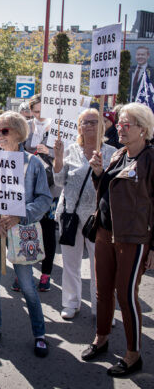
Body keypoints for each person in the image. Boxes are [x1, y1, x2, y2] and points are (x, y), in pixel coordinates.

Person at [82, 103, 154, 377]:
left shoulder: (150, 159)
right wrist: (99, 172)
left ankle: (133, 355)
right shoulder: (118, 155)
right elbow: (105, 192)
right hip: (103, 232)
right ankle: (101, 339)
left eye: (127, 124)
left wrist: (153, 247)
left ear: (143, 129)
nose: (120, 128)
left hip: (133, 238)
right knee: (102, 292)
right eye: (120, 123)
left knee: (126, 295)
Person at [0, 111, 52, 356]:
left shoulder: (34, 163)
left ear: (18, 132)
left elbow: (45, 199)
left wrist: (21, 215)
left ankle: (39, 333)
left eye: (3, 131)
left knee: (27, 285)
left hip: (21, 232)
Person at [53, 108, 115, 320]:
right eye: (83, 122)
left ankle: (100, 308)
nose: (88, 125)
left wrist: (100, 171)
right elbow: (60, 181)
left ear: (103, 126)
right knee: (70, 263)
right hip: (70, 214)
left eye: (93, 122)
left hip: (98, 217)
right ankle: (71, 303)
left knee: (100, 265)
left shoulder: (112, 152)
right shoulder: (71, 150)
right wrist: (58, 158)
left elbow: (112, 185)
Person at [22, 94, 59, 292]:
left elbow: (66, 153)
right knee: (26, 227)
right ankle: (23, 273)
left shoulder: (58, 127)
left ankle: (46, 275)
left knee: (47, 230)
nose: (39, 115)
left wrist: (50, 151)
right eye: (36, 112)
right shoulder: (26, 125)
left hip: (50, 188)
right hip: (27, 186)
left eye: (43, 112)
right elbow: (17, 147)